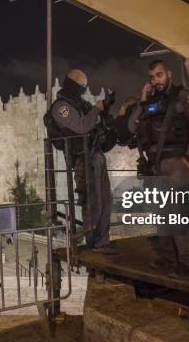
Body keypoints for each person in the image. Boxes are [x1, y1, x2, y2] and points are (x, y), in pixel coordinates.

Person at [128, 60, 189, 277]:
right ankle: (169, 259)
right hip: (155, 166)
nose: (156, 80)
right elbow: (131, 126)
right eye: (152, 77)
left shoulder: (185, 97)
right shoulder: (150, 102)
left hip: (178, 165)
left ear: (169, 74)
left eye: (160, 75)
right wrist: (143, 98)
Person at [45, 69, 116, 254]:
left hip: (95, 155)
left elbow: (95, 123)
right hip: (81, 160)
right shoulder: (61, 107)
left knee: (105, 200)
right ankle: (93, 242)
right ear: (73, 85)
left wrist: (106, 107)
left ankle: (102, 241)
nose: (84, 90)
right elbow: (82, 126)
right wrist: (97, 109)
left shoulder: (80, 104)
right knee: (92, 201)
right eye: (82, 87)